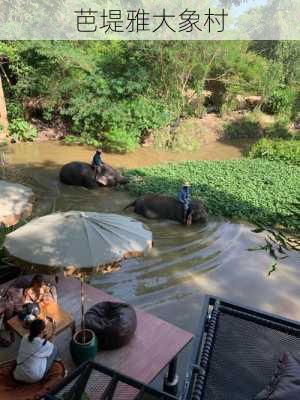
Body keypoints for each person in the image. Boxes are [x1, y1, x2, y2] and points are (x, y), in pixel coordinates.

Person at [14, 318, 59, 383]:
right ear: (41, 332)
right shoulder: (41, 344)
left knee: (41, 353)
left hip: (19, 373)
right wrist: (54, 330)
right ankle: (58, 364)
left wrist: (42, 332)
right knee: (55, 349)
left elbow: (39, 342)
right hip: (34, 377)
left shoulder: (25, 337)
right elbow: (51, 345)